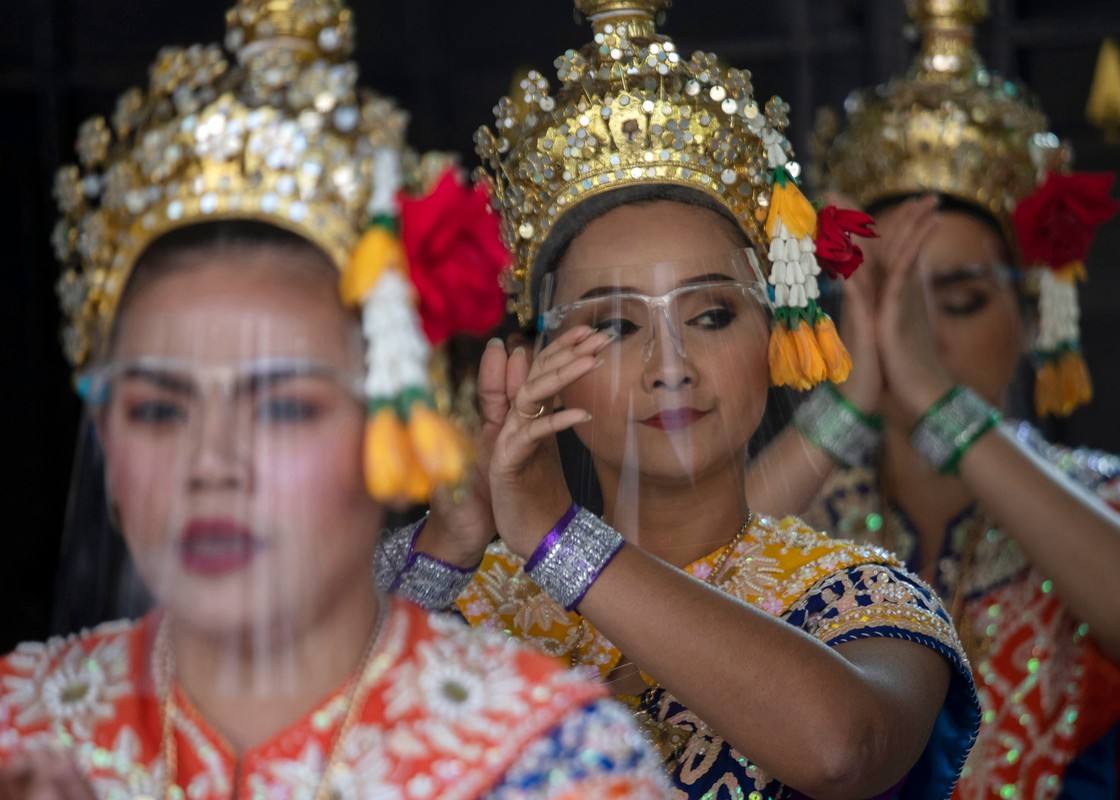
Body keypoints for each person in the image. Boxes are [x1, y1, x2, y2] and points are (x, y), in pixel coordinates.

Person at [0, 2, 670, 797]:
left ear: (403, 429)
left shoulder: (548, 758)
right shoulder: (23, 723)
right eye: (159, 408)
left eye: (283, 406)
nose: (212, 466)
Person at [377, 2, 981, 798]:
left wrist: (559, 540)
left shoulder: (853, 598)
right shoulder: (464, 589)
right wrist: (451, 542)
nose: (671, 365)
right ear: (533, 364)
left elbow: (844, 749)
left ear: (775, 334)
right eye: (616, 326)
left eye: (711, 315)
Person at [745, 1, 1120, 797]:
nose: (917, 339)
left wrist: (932, 396)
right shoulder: (807, 517)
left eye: (956, 304)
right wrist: (848, 406)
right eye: (887, 303)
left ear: (1029, 319)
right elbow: (690, 588)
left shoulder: (1105, 499)